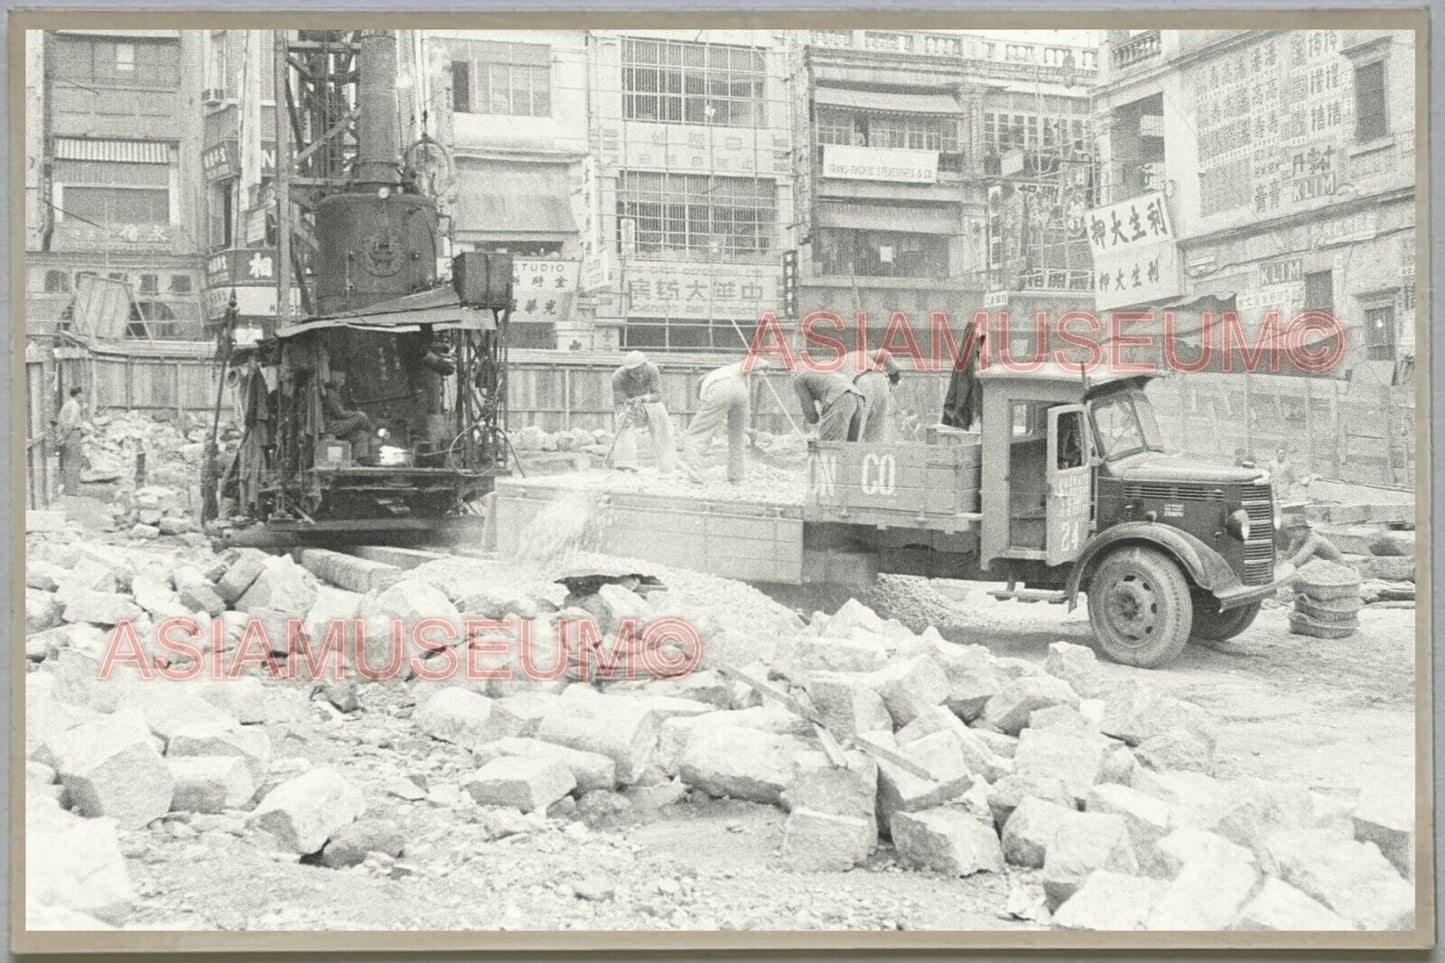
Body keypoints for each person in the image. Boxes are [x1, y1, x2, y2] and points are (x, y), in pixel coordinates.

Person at [680, 356, 768, 484]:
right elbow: (753, 361)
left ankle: (695, 478)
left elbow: (712, 422)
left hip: (721, 390)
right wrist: (763, 368)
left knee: (695, 435)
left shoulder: (708, 386)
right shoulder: (726, 371)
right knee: (737, 435)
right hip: (740, 390)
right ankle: (736, 477)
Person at [610, 350, 677, 473]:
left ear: (645, 365)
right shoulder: (618, 377)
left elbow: (657, 395)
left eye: (640, 370)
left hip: (648, 401)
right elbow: (619, 402)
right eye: (634, 372)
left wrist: (644, 398)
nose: (638, 374)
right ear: (627, 370)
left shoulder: (652, 370)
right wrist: (622, 414)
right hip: (629, 404)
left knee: (663, 422)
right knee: (623, 425)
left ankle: (666, 465)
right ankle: (626, 466)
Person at [793, 369, 864, 442]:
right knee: (851, 445)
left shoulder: (799, 379)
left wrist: (813, 425)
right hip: (858, 397)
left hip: (840, 397)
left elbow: (808, 409)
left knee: (828, 445)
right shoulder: (824, 371)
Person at [322, 370, 375, 465]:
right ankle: (372, 434)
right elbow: (340, 413)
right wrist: (357, 413)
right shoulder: (331, 394)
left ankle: (360, 460)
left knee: (361, 434)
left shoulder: (336, 393)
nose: (343, 382)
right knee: (360, 418)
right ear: (336, 380)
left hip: (339, 425)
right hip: (332, 426)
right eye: (342, 378)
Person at [854, 350, 901, 443]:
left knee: (858, 427)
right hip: (880, 380)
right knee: (877, 431)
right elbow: (885, 354)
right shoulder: (861, 355)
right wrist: (894, 375)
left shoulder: (857, 355)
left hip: (861, 381)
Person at [56, 385, 87, 495]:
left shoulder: (67, 404)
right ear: (78, 395)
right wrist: (64, 437)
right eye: (82, 395)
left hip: (67, 433)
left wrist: (62, 436)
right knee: (73, 462)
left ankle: (69, 489)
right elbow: (70, 423)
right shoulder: (75, 406)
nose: (83, 397)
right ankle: (72, 490)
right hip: (72, 434)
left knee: (69, 461)